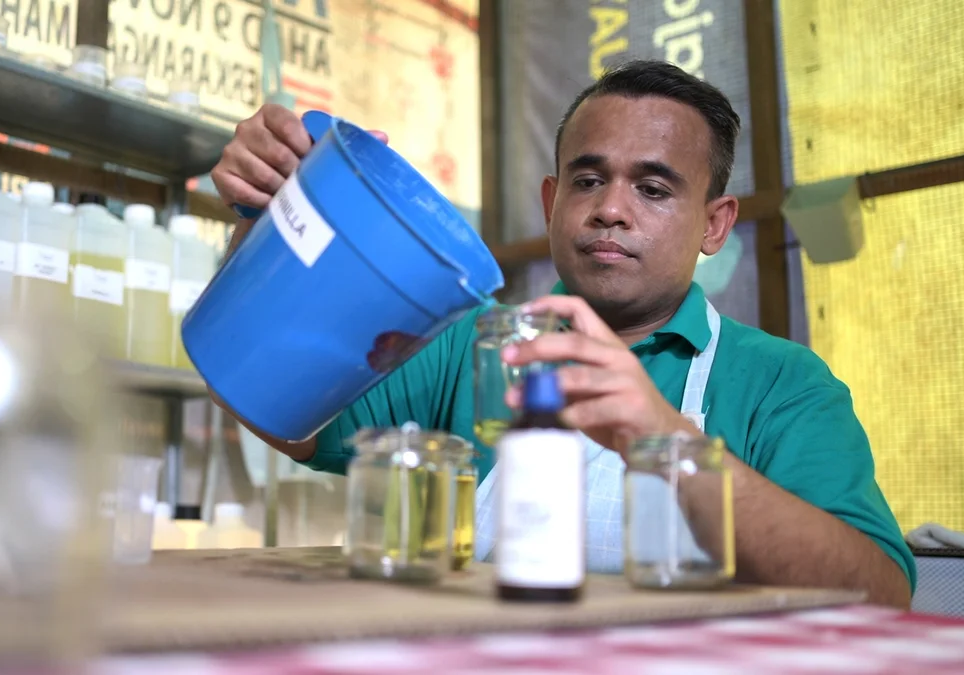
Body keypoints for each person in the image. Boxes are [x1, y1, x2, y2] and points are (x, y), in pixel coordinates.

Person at [210, 60, 914, 608]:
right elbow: (284, 409)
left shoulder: (781, 384)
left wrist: (663, 440)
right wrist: (263, 215)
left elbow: (881, 592)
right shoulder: (469, 344)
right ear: (552, 202)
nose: (610, 209)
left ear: (715, 224)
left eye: (654, 189)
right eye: (587, 180)